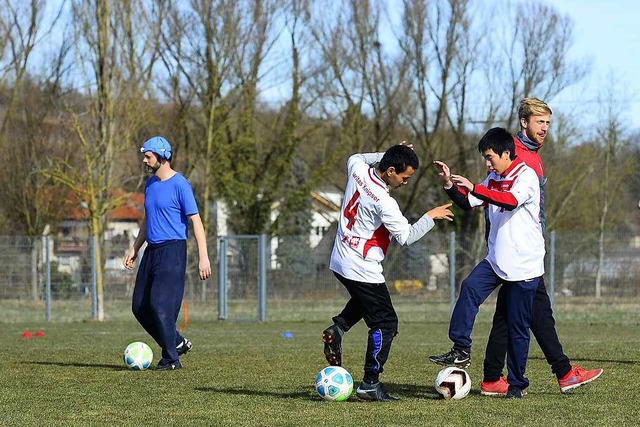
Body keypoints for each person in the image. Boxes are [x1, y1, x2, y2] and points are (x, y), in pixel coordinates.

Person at [479, 98, 603, 395]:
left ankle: (493, 377)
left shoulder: (531, 154)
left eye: (547, 122)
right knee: (537, 312)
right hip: (519, 251)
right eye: (539, 122)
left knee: (511, 314)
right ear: (524, 122)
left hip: (522, 248)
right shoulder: (515, 155)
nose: (545, 128)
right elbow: (493, 198)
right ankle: (562, 373)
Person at [322, 144, 454, 402]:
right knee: (385, 323)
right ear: (390, 171)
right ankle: (370, 384)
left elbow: (356, 156)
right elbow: (406, 237)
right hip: (362, 266)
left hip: (340, 259)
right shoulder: (384, 201)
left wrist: (387, 154)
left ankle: (338, 329)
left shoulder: (357, 169)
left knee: (366, 302)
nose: (405, 182)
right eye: (404, 177)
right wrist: (431, 215)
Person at [431, 127, 545, 398]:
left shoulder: (526, 176)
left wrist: (476, 188)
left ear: (507, 153)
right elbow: (468, 202)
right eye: (485, 157)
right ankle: (460, 349)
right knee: (469, 287)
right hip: (496, 260)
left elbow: (510, 200)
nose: (487, 162)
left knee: (517, 327)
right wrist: (449, 184)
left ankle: (517, 384)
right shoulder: (493, 176)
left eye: (490, 156)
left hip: (524, 266)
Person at [124, 136, 211, 370]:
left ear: (162, 156)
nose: (144, 160)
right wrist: (135, 248)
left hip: (173, 250)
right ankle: (176, 342)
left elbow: (196, 221)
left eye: (148, 156)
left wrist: (203, 256)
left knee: (160, 304)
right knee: (139, 306)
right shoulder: (150, 185)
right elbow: (147, 220)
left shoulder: (180, 184)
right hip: (151, 251)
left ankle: (171, 359)